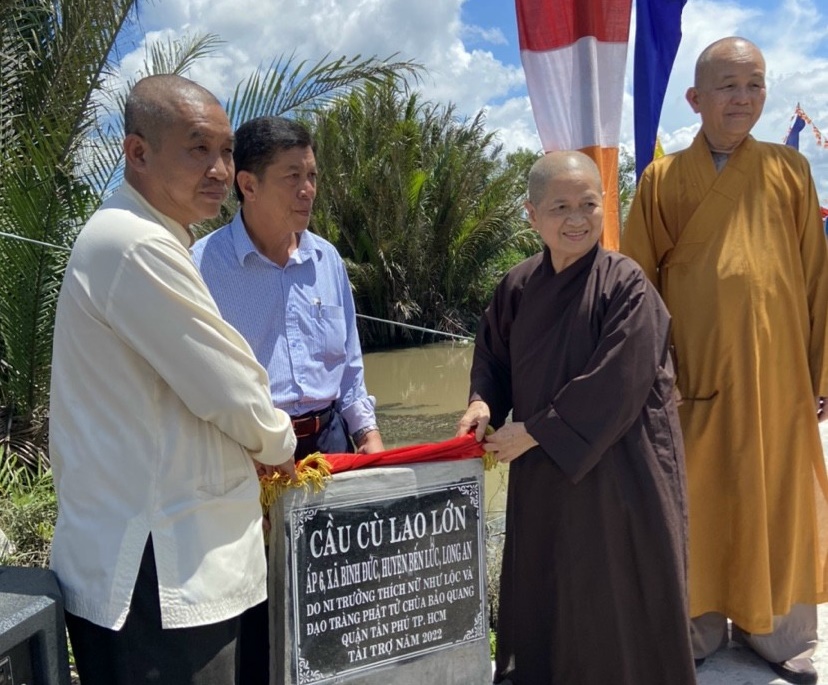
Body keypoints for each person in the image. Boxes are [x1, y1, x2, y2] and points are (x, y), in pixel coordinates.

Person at [49, 74, 297, 685]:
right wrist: (280, 445)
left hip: (166, 562)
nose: (219, 169)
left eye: (226, 150)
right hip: (164, 572)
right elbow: (231, 389)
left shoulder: (146, 238)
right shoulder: (136, 246)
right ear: (137, 152)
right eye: (196, 148)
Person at [622, 36, 828, 685]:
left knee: (779, 497)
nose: (744, 97)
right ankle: (695, 628)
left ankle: (780, 634)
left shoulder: (790, 172)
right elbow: (635, 287)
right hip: (692, 377)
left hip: (779, 379)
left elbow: (817, 280)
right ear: (696, 98)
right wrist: (651, 379)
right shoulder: (661, 180)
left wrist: (821, 374)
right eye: (730, 84)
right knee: (697, 501)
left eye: (755, 84)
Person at [456, 151, 695, 685]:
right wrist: (482, 403)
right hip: (545, 468)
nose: (577, 219)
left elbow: (621, 379)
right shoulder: (517, 286)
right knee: (553, 582)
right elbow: (493, 357)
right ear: (531, 214)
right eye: (560, 206)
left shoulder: (626, 283)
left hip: (623, 469)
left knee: (621, 588)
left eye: (589, 204)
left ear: (605, 205)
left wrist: (537, 431)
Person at [192, 115, 384, 685]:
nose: (308, 190)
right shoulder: (201, 268)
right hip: (244, 457)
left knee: (333, 592)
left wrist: (370, 441)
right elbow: (200, 382)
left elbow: (348, 367)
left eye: (313, 175)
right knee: (255, 597)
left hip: (328, 448)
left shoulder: (327, 262)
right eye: (292, 176)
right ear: (247, 184)